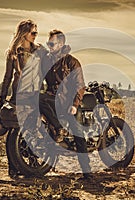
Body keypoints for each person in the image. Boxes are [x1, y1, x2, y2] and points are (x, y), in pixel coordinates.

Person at [0, 19, 51, 178]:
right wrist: (2, 98)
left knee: (35, 128)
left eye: (36, 32)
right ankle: (12, 168)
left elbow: (46, 70)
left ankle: (34, 165)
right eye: (33, 32)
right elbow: (7, 77)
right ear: (24, 33)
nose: (35, 35)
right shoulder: (13, 52)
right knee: (14, 129)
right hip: (19, 95)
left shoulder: (39, 51)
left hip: (35, 94)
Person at [39, 29, 92, 179]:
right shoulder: (47, 61)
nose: (49, 46)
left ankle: (87, 172)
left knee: (78, 134)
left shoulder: (71, 62)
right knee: (38, 97)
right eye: (48, 43)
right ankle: (58, 128)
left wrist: (75, 105)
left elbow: (80, 85)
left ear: (61, 44)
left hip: (68, 103)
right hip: (52, 100)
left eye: (52, 43)